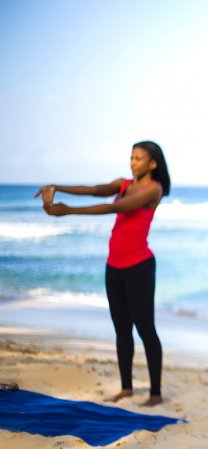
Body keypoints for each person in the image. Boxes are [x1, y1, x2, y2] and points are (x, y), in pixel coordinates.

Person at [35, 141, 171, 407]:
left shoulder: (153, 189)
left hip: (139, 267)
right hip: (114, 266)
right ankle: (126, 388)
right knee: (122, 329)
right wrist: (56, 187)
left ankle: (155, 394)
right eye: (131, 157)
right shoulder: (123, 184)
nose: (133, 163)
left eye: (139, 158)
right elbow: (95, 190)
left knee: (145, 329)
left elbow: (117, 207)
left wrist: (68, 211)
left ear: (153, 163)